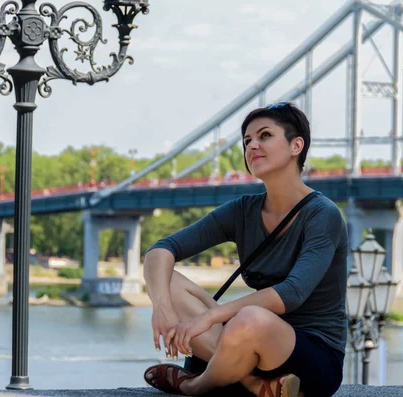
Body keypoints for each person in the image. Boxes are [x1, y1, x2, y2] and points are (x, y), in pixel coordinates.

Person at [142, 102, 348, 397]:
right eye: (247, 140)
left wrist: (209, 318)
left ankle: (193, 385)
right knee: (167, 279)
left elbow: (292, 292)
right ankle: (255, 385)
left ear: (296, 146)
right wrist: (162, 308)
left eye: (265, 136)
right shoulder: (242, 210)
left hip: (309, 357)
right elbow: (161, 250)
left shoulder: (322, 214)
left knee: (249, 319)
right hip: (238, 345)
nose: (252, 145)